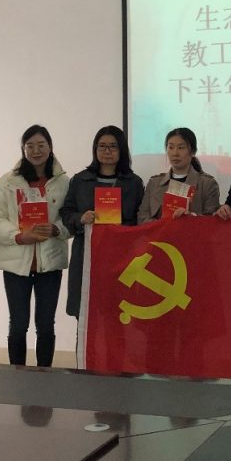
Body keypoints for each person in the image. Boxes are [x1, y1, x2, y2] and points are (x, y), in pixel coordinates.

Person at [0, 125, 71, 366]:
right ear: (23, 149)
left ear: (50, 147)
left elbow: (70, 217)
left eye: (41, 145)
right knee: (18, 324)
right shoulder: (8, 182)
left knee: (46, 325)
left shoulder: (63, 182)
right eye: (29, 146)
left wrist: (57, 229)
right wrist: (19, 236)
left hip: (50, 263)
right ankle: (17, 374)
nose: (36, 150)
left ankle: (44, 374)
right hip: (16, 265)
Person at [61, 125, 144, 318]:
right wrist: (80, 218)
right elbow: (66, 213)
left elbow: (141, 220)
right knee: (85, 317)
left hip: (121, 256)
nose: (107, 151)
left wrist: (122, 229)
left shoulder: (133, 182)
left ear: (122, 150)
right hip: (87, 255)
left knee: (119, 316)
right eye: (102, 146)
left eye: (113, 146)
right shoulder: (80, 180)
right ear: (95, 149)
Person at [138, 127, 220, 223]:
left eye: (181, 148)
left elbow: (212, 222)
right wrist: (164, 226)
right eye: (171, 147)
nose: (175, 153)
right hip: (160, 232)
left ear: (193, 151)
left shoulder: (207, 184)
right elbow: (142, 218)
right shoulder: (154, 183)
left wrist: (191, 217)